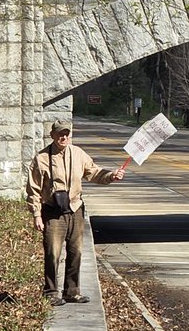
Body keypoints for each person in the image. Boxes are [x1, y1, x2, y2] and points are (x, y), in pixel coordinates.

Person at [26, 120, 125, 306]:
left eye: (66, 134)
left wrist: (111, 176)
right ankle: (50, 292)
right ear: (52, 135)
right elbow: (33, 190)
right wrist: (37, 215)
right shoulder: (41, 159)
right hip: (53, 212)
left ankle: (71, 292)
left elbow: (94, 173)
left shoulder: (78, 154)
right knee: (52, 253)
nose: (63, 137)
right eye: (59, 134)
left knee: (75, 252)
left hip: (75, 209)